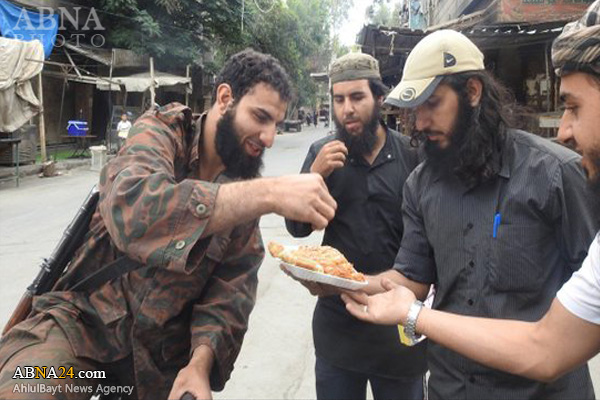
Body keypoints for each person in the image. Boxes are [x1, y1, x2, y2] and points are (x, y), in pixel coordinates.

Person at [0, 49, 336, 400]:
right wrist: (269, 192)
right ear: (225, 98)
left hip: (158, 366)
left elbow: (229, 295)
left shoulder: (244, 191)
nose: (268, 137)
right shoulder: (160, 132)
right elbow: (132, 208)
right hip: (81, 332)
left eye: (276, 126)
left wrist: (199, 365)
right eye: (260, 117)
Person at [343, 0, 600, 388]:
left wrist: (412, 316)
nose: (420, 121)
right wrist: (344, 280)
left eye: (433, 103)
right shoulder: (420, 185)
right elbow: (411, 279)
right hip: (451, 387)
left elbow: (589, 299)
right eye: (414, 108)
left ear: (474, 91)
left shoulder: (555, 174)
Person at [285, 52, 425, 400]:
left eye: (357, 97)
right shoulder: (322, 154)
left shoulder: (411, 155)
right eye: (339, 99)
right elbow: (297, 230)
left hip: (398, 333)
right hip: (338, 331)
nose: (346, 108)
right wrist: (315, 175)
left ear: (379, 98)